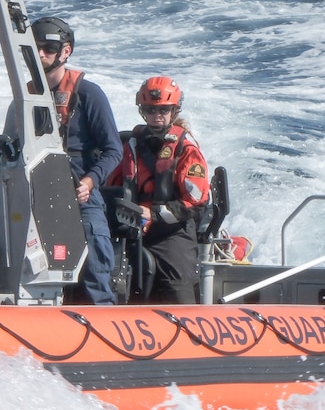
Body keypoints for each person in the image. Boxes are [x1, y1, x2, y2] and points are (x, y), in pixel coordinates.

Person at [31, 16, 123, 304]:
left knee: (95, 257)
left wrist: (90, 180)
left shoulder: (89, 94)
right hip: (35, 194)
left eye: (48, 48)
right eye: (36, 49)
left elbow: (113, 150)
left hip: (80, 195)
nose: (42, 54)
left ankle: (102, 313)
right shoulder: (27, 95)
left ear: (65, 52)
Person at [106, 77, 211, 304]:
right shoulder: (130, 144)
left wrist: (151, 214)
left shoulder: (186, 149)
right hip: (130, 228)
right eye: (151, 110)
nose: (157, 115)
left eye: (164, 110)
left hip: (172, 232)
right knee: (113, 279)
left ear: (174, 110)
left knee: (177, 289)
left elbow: (195, 202)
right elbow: (111, 185)